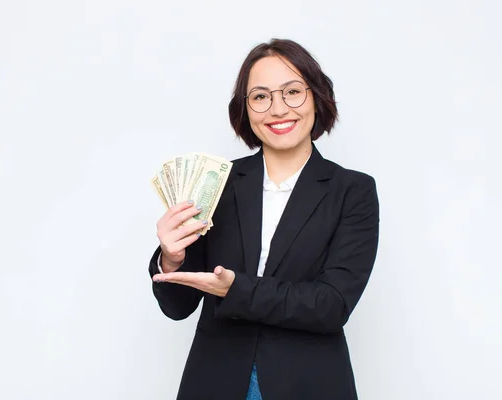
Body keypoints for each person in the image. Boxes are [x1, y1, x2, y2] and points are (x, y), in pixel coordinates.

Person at [148, 38, 380, 400]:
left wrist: (235, 289)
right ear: (246, 108)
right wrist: (171, 258)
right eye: (260, 96)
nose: (277, 108)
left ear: (317, 97)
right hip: (215, 380)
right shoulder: (217, 182)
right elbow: (178, 307)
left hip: (308, 383)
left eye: (292, 92)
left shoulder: (352, 191)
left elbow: (331, 305)